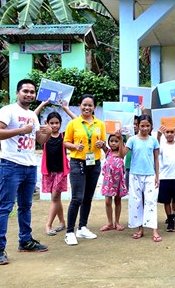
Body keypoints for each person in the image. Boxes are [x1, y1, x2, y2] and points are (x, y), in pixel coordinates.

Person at [0, 79, 52, 265]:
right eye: (25, 91)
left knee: (25, 206)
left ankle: (25, 241)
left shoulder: (33, 115)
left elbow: (39, 140)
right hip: (11, 165)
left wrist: (47, 132)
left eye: (32, 92)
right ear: (17, 93)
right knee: (5, 207)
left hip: (30, 166)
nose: (29, 94)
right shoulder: (7, 111)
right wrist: (19, 130)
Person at [63, 94, 106, 246]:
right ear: (80, 106)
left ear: (94, 107)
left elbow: (104, 142)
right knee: (77, 198)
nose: (87, 108)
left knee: (88, 197)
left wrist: (102, 144)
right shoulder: (73, 123)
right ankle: (69, 232)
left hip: (94, 163)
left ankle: (82, 227)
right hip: (77, 162)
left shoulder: (100, 124)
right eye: (84, 105)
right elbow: (66, 142)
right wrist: (75, 147)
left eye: (90, 105)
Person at [34, 100, 76, 236]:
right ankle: (63, 222)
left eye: (57, 123)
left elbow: (77, 123)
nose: (54, 125)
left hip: (61, 172)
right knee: (56, 199)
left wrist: (66, 109)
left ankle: (48, 224)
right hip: (48, 172)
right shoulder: (43, 137)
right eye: (51, 123)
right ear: (47, 124)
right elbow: (32, 117)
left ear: (60, 124)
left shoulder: (64, 137)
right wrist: (43, 104)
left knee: (55, 197)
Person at [125, 114, 161, 242]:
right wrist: (119, 138)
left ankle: (154, 229)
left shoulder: (154, 141)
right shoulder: (132, 140)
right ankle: (140, 228)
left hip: (150, 175)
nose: (145, 128)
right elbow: (122, 153)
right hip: (135, 175)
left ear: (151, 126)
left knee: (151, 202)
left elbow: (156, 159)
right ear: (137, 126)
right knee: (136, 202)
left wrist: (157, 175)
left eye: (147, 126)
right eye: (142, 126)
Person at [99, 132, 128, 232]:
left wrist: (121, 139)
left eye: (116, 141)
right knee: (107, 202)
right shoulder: (108, 152)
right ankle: (110, 223)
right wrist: (101, 143)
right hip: (108, 182)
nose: (114, 143)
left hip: (118, 181)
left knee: (118, 201)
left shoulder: (121, 152)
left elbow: (122, 153)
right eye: (111, 141)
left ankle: (117, 222)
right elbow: (102, 145)